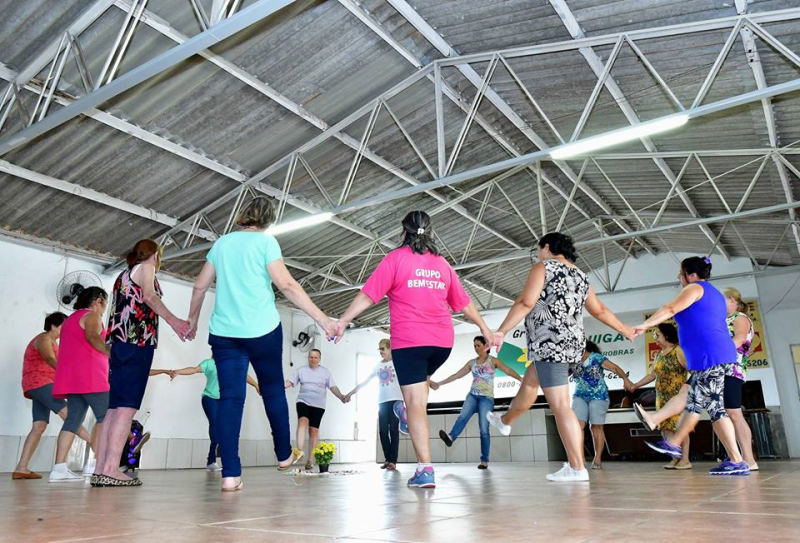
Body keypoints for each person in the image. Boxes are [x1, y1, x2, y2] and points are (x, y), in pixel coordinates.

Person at [334, 210, 496, 489]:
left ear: (403, 230)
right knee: (419, 391)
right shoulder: (442, 264)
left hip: (411, 342)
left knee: (416, 404)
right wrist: (485, 328)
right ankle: (408, 416)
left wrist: (343, 320)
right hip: (441, 344)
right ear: (430, 231)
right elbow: (463, 303)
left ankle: (425, 469)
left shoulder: (395, 259)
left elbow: (368, 295)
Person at [187, 196, 338, 492]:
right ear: (269, 220)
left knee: (230, 400)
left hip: (225, 334)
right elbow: (287, 285)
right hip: (262, 331)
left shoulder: (222, 244)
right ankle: (283, 454)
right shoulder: (266, 242)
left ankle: (230, 474)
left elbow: (200, 285)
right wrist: (323, 320)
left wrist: (191, 320)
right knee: (272, 390)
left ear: (243, 215)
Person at [484, 232, 634, 483]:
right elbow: (599, 310)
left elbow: (525, 302)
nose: (538, 254)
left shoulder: (543, 267)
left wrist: (502, 331)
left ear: (547, 247)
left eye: (539, 249)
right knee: (531, 381)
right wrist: (625, 329)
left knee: (561, 405)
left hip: (550, 344)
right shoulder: (581, 275)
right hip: (573, 347)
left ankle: (577, 467)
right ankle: (506, 421)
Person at [635, 257, 749, 476]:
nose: (679, 277)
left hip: (711, 356)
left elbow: (670, 308)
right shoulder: (713, 293)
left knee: (703, 405)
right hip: (713, 356)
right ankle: (734, 460)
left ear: (692, 275)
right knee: (707, 406)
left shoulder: (696, 288)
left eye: (681, 273)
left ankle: (674, 442)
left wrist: (644, 326)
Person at [95, 239, 190, 487]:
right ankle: (111, 469)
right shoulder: (147, 267)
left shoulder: (123, 275)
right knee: (126, 409)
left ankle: (101, 469)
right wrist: (175, 321)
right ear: (155, 254)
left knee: (113, 410)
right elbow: (148, 296)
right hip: (137, 342)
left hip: (119, 344)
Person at [13, 312, 92, 480]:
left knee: (39, 426)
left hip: (38, 386)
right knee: (70, 416)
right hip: (41, 383)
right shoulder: (44, 339)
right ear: (54, 326)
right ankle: (97, 445)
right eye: (64, 326)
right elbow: (49, 358)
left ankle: (21, 468)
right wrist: (67, 375)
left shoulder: (53, 342)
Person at [430, 335, 522, 469]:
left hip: (486, 398)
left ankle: (484, 460)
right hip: (472, 396)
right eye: (474, 346)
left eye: (478, 345)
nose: (476, 348)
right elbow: (457, 375)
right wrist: (439, 384)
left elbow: (508, 370)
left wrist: (521, 379)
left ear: (485, 346)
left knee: (484, 429)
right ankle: (450, 437)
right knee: (462, 417)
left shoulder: (493, 361)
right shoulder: (471, 363)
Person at [50, 287, 110, 483]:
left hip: (72, 378)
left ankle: (59, 469)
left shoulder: (70, 320)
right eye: (105, 303)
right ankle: (97, 464)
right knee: (106, 417)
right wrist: (111, 353)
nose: (104, 308)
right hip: (91, 376)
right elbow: (92, 337)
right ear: (98, 301)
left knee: (72, 421)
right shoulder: (91, 315)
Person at [168, 360, 260, 472]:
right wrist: (178, 372)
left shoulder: (231, 362)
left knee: (226, 428)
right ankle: (216, 450)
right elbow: (194, 369)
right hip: (209, 398)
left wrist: (255, 385)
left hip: (225, 400)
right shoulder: (209, 363)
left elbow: (243, 375)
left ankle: (212, 461)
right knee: (215, 423)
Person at [628, 323, 691, 469]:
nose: (655, 338)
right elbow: (652, 375)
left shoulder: (678, 351)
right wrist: (635, 385)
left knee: (679, 428)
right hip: (661, 397)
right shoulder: (658, 355)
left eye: (657, 335)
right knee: (665, 429)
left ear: (667, 335)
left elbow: (692, 371)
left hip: (677, 397)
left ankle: (685, 460)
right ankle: (675, 458)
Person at [570, 341, 633, 470]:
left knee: (596, 427)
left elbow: (615, 368)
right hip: (579, 396)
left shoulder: (596, 357)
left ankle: (597, 458)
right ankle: (580, 459)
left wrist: (625, 379)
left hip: (598, 396)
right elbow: (563, 373)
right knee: (578, 426)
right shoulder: (572, 361)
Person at [344, 338, 404, 471]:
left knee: (393, 430)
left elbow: (408, 379)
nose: (380, 351)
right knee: (382, 431)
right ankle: (387, 458)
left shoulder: (398, 362)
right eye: (379, 349)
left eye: (383, 348)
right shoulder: (378, 366)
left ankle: (393, 461)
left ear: (390, 348)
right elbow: (365, 382)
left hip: (396, 400)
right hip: (382, 401)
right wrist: (350, 393)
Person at [285, 349, 348, 471]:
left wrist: (341, 397)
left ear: (319, 359)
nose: (313, 359)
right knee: (302, 421)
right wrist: (278, 387)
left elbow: (333, 387)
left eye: (315, 357)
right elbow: (290, 382)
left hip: (318, 404)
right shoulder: (302, 370)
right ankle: (299, 451)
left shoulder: (325, 372)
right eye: (311, 357)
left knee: (313, 431)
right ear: (308, 358)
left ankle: (310, 460)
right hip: (303, 400)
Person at [722, 287, 758, 470]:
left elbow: (740, 338)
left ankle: (749, 460)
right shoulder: (723, 320)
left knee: (734, 413)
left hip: (732, 369)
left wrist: (720, 353)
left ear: (732, 301)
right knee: (726, 414)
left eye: (721, 301)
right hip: (720, 369)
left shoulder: (740, 318)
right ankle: (737, 458)